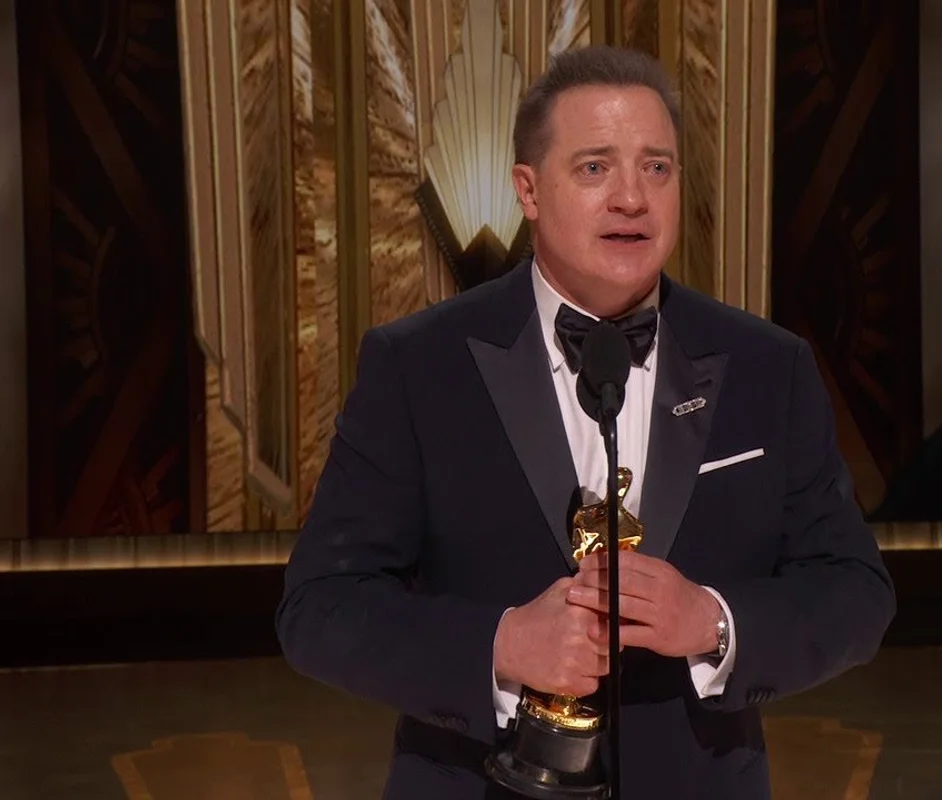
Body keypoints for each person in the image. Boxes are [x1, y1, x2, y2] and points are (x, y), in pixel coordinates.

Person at [276, 44, 895, 799]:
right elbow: (320, 608)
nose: (633, 197)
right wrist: (501, 645)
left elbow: (857, 593)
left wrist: (715, 621)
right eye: (596, 167)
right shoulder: (418, 367)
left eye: (657, 167)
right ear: (528, 191)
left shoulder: (769, 366)